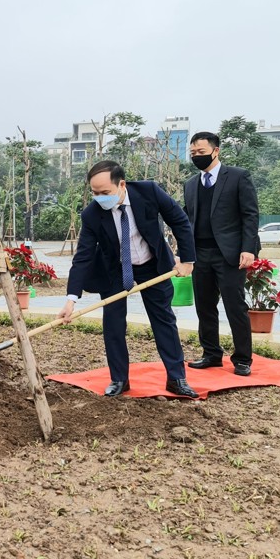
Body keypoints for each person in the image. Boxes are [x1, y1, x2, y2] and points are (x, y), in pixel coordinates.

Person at [58, 161, 198, 398]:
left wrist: (187, 260)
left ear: (121, 184)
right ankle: (119, 379)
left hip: (154, 266)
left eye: (105, 193)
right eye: (94, 193)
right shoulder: (92, 214)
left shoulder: (148, 191)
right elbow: (82, 256)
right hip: (115, 268)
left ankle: (176, 378)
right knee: (113, 324)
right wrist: (71, 299)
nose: (99, 198)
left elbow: (180, 221)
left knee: (164, 320)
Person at [183, 131, 260, 377]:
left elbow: (250, 214)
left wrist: (248, 248)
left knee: (234, 306)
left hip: (230, 254)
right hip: (200, 254)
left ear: (216, 151)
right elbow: (187, 220)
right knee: (204, 307)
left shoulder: (238, 177)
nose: (196, 157)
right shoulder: (191, 184)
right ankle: (211, 354)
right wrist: (184, 252)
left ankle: (242, 358)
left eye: (201, 152)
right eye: (193, 153)